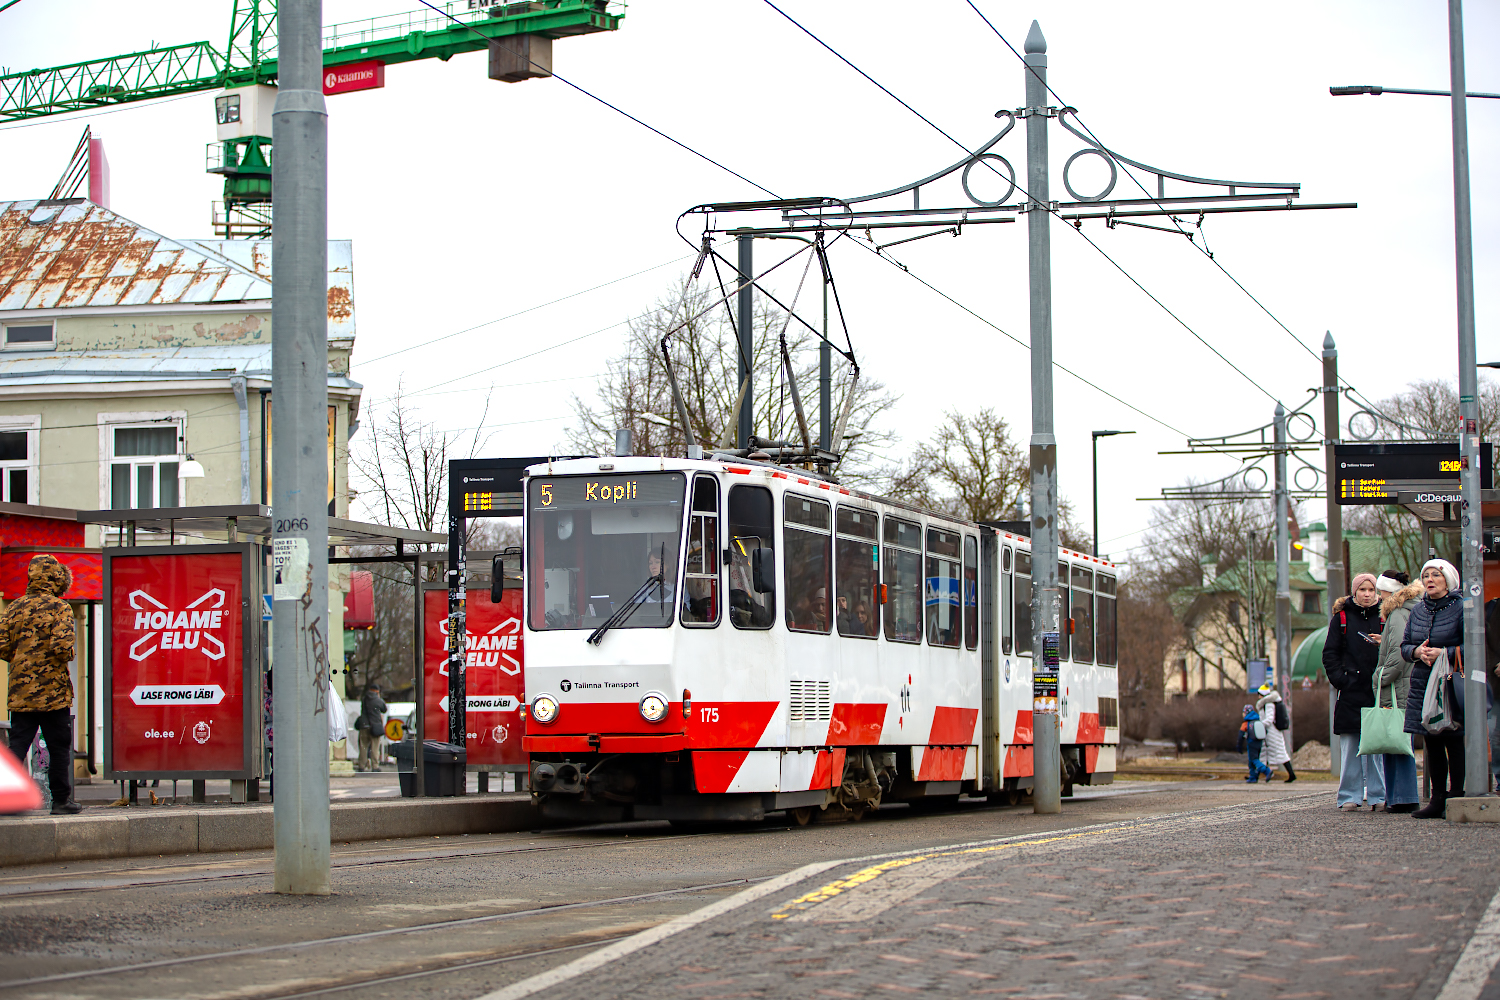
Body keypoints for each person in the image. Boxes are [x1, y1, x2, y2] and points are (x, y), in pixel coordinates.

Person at [1, 554, 81, 814]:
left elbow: (2, 647)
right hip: (53, 693)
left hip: (21, 690)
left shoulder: (13, 607)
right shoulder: (60, 608)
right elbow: (61, 648)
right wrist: (68, 654)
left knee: (17, 745)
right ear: (57, 578)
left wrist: (23, 661)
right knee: (59, 746)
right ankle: (61, 801)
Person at [1403, 558, 1465, 818]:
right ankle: (1437, 798)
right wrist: (1417, 652)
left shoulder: (1461, 607)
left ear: (1448, 580)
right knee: (1431, 739)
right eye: (1426, 575)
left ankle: (1457, 795)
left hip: (1450, 681)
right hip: (1423, 681)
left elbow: (1473, 646)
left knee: (1453, 738)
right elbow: (1404, 646)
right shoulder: (1418, 610)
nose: (1429, 580)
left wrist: (1445, 653)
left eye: (1436, 575)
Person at [1324, 572, 1386, 811]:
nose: (1367, 594)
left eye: (1371, 590)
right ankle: (1349, 796)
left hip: (1377, 689)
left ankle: (1378, 795)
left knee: (1377, 747)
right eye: (1363, 590)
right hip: (1351, 691)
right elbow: (1330, 653)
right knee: (1351, 745)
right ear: (1355, 592)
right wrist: (1341, 680)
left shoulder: (1385, 616)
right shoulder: (1341, 618)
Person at [1375, 570, 1422, 812]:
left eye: (1380, 590)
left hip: (1398, 686)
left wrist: (1378, 677)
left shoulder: (1397, 614)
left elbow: (1397, 654)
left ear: (1388, 591)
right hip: (1406, 683)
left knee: (1396, 742)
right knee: (1397, 742)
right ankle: (1397, 797)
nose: (1377, 595)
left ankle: (1402, 797)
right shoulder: (1410, 609)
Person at [1254, 682, 1294, 782]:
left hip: (1272, 733)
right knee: (1263, 753)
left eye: (1259, 694)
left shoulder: (1269, 704)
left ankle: (1291, 774)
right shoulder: (1266, 703)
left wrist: (1259, 725)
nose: (1258, 696)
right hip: (1268, 732)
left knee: (1280, 753)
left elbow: (1269, 719)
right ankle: (1256, 775)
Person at [1237, 704, 1272, 782]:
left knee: (1254, 759)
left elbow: (1240, 736)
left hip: (1251, 743)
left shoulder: (1246, 723)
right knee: (1252, 760)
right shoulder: (1258, 720)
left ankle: (1266, 770)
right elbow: (1265, 731)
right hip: (1259, 743)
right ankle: (1253, 777)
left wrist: (1239, 747)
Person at [356, 682, 386, 772]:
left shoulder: (364, 699)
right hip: (375, 726)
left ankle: (361, 765)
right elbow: (384, 709)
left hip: (364, 725)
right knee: (375, 747)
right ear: (377, 692)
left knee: (363, 746)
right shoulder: (378, 700)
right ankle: (375, 766)